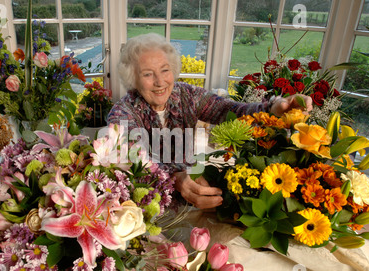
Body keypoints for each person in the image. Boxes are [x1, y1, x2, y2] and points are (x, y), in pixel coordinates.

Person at [107, 33, 312, 210]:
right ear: (133, 77)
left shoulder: (186, 94)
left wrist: (271, 109)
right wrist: (175, 178)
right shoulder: (122, 113)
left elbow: (228, 110)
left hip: (191, 198)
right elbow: (135, 160)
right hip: (142, 207)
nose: (160, 82)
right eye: (148, 74)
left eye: (165, 70)